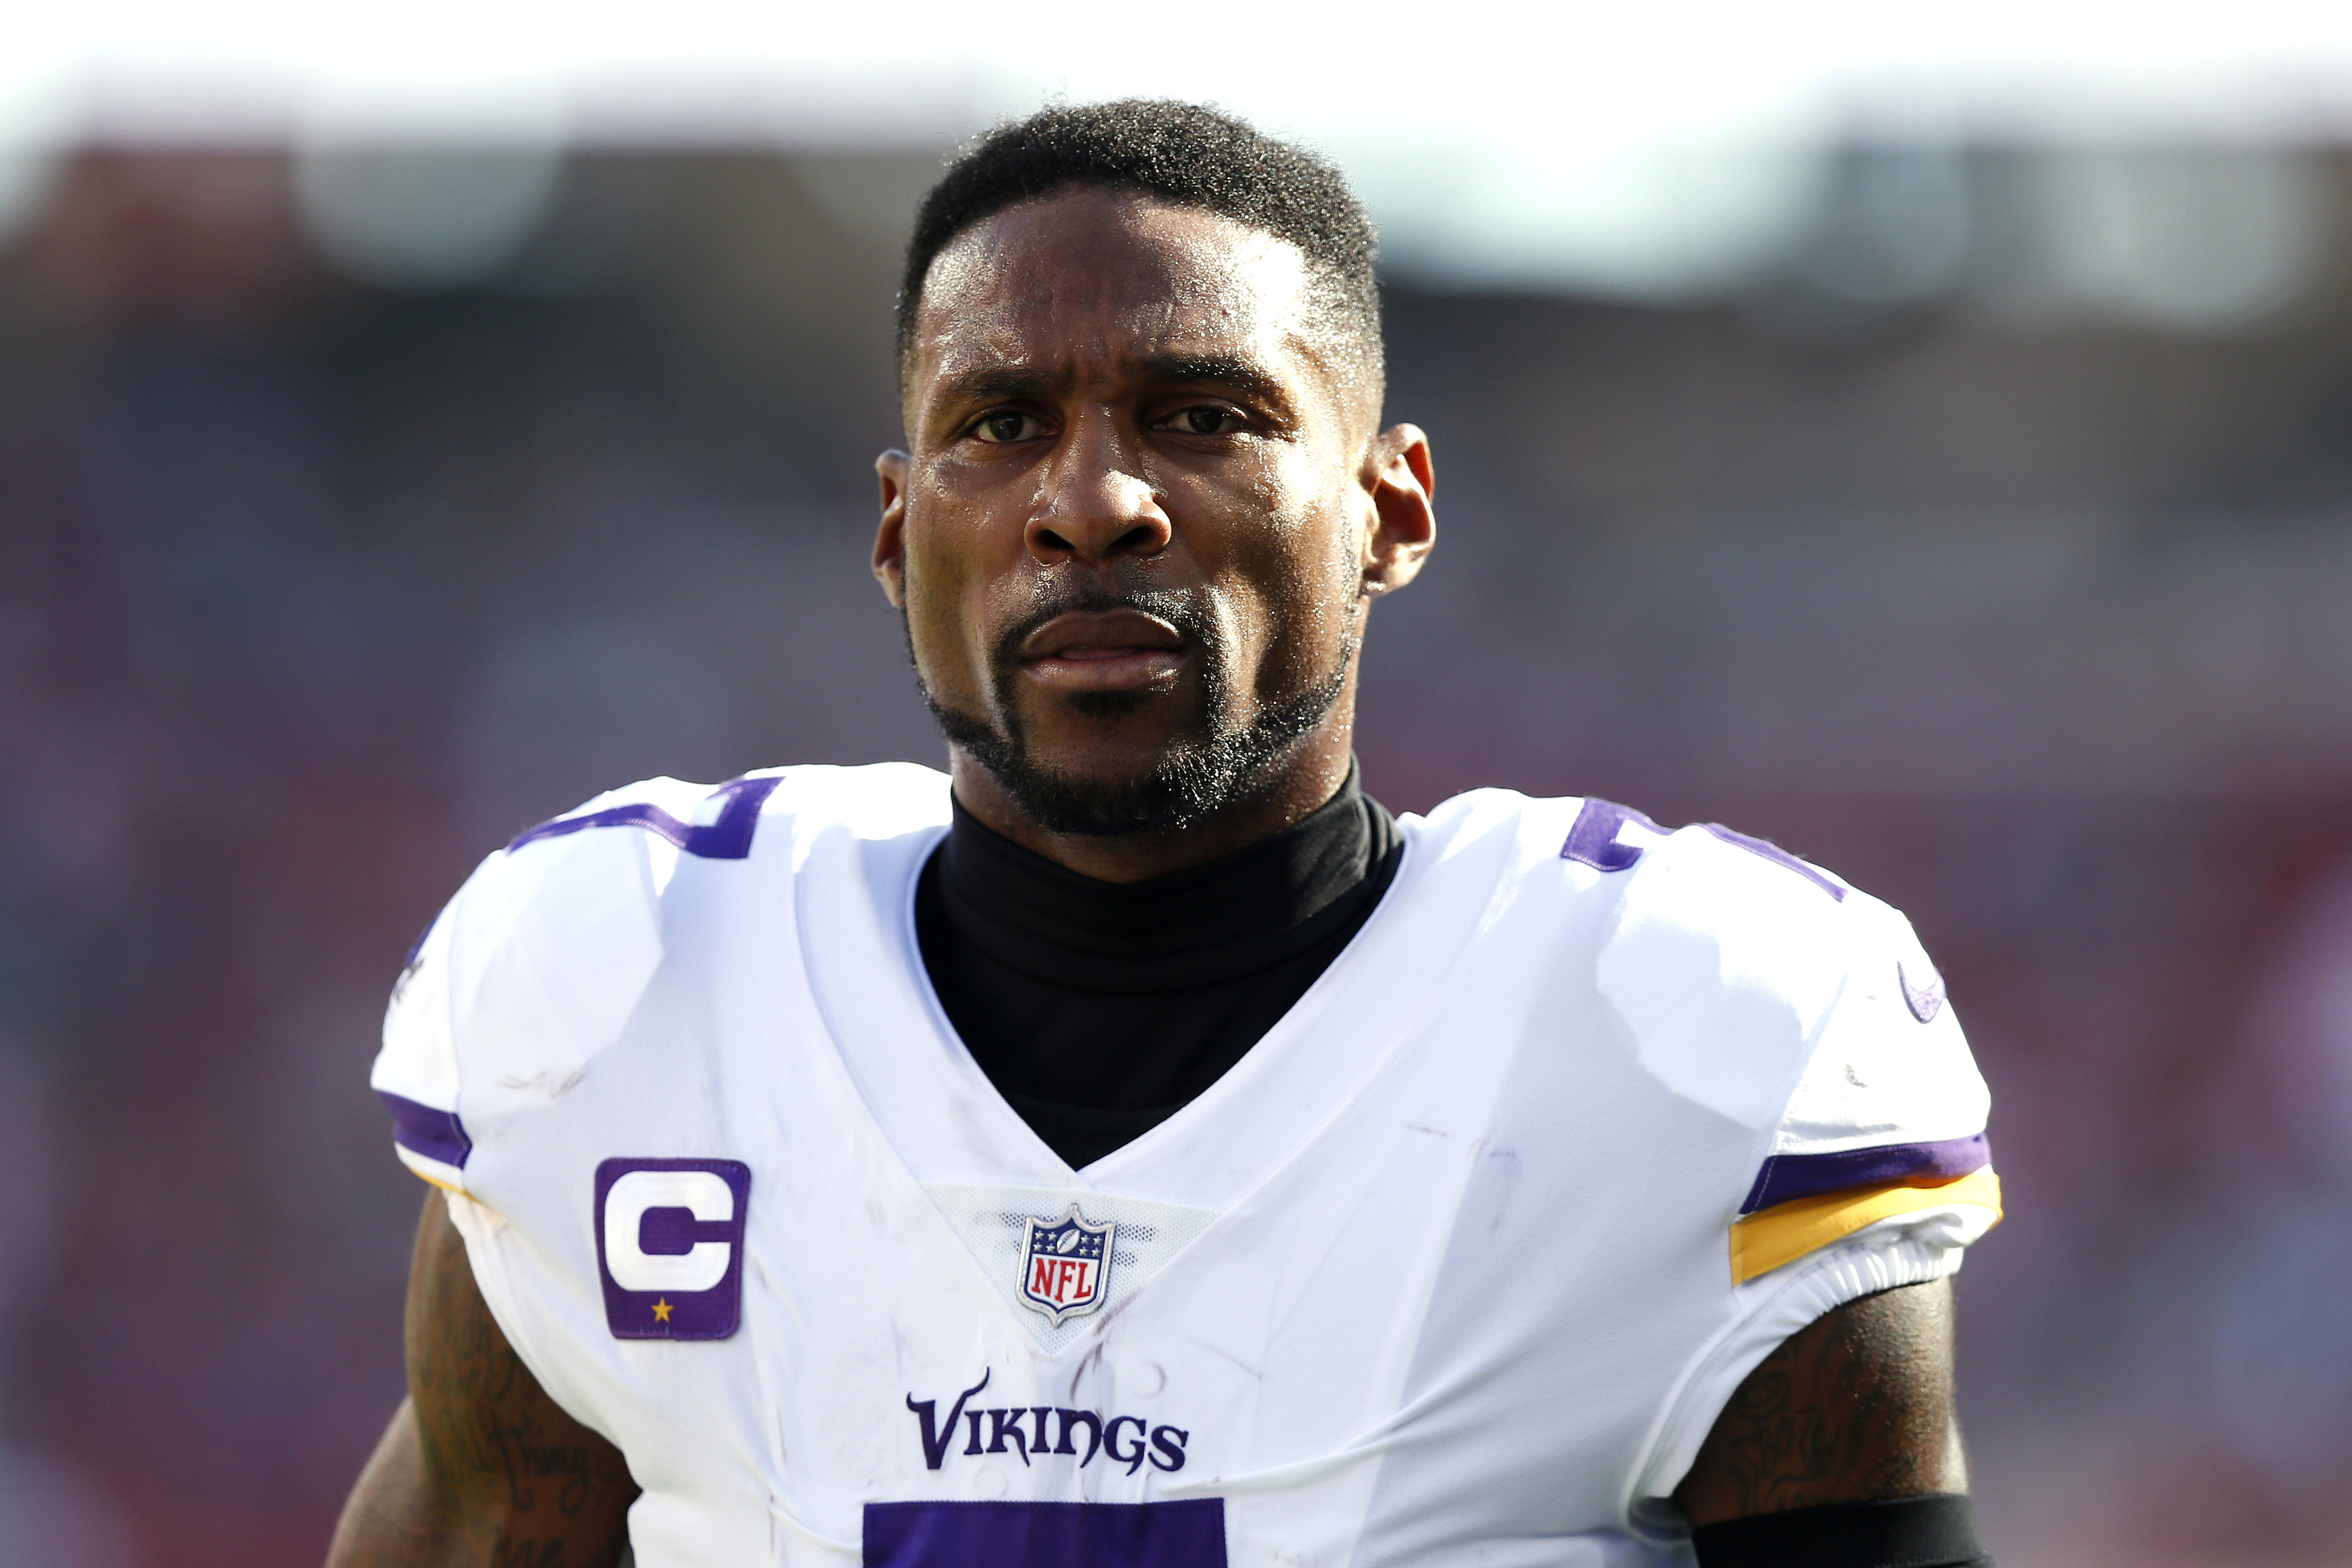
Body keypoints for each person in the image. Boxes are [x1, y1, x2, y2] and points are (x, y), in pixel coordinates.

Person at [329, 100, 2002, 1568]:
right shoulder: (620, 992)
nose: (1092, 499)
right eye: (999, 426)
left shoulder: (1686, 1034)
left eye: (1203, 414)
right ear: (900, 532)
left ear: (1388, 511)